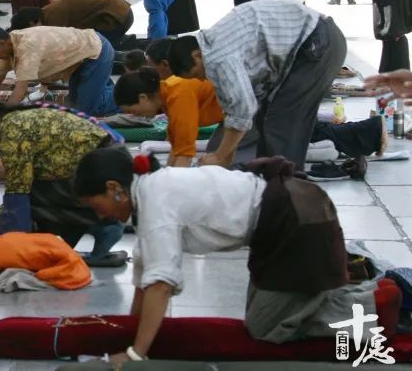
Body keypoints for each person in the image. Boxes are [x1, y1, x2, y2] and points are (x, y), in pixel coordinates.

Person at [73, 148, 401, 365]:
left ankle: (373, 304)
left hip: (296, 223)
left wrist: (135, 353)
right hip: (283, 221)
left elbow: (160, 283)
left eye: (95, 206)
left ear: (114, 187)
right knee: (268, 315)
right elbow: (145, 277)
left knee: (267, 329)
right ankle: (339, 294)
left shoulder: (156, 202)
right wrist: (131, 330)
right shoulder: (148, 191)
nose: (99, 217)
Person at [166, 0, 346, 168]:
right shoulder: (212, 43)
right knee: (265, 117)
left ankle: (284, 188)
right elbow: (240, 112)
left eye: (197, 74)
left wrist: (219, 156)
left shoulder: (216, 58)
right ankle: (270, 181)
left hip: (317, 43)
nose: (203, 79)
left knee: (280, 122)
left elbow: (242, 110)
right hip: (317, 38)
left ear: (197, 55)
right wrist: (224, 158)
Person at [117, 65, 387, 169]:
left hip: (255, 102)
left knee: (230, 162)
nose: (137, 118)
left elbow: (184, 152)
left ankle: (371, 131)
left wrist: (164, 191)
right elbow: (177, 146)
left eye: (132, 112)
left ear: (142, 98)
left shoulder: (177, 95)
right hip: (247, 105)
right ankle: (370, 131)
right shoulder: (171, 92)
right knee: (300, 131)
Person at [0, 99, 124, 259]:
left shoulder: (12, 133)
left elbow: (16, 198)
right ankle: (90, 231)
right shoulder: (13, 119)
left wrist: (9, 250)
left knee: (33, 199)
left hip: (102, 168)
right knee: (36, 190)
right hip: (108, 160)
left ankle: (102, 226)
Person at [0, 25, 118, 116]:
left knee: (89, 110)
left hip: (95, 51)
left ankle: (129, 95)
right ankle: (109, 90)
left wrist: (4, 116)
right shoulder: (9, 48)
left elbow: (21, 90)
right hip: (80, 59)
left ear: (2, 43)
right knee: (74, 103)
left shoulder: (27, 47)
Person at [10, 0, 134, 48]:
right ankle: (124, 43)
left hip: (118, 17)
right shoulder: (46, 13)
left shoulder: (54, 18)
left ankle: (128, 46)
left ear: (32, 24)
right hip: (119, 12)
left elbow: (60, 47)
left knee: (97, 50)